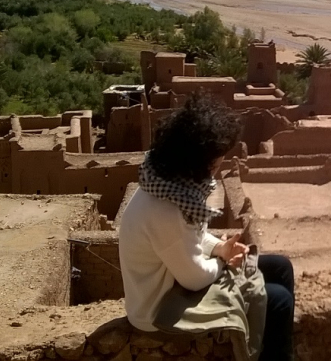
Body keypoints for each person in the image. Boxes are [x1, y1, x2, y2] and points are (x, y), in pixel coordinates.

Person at [119, 92, 294, 361]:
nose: (220, 163)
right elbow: (195, 277)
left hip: (175, 282)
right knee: (278, 299)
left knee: (281, 267)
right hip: (158, 309)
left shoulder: (168, 185)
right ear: (200, 161)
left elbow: (190, 239)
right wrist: (225, 263)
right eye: (217, 158)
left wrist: (220, 248)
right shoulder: (165, 209)